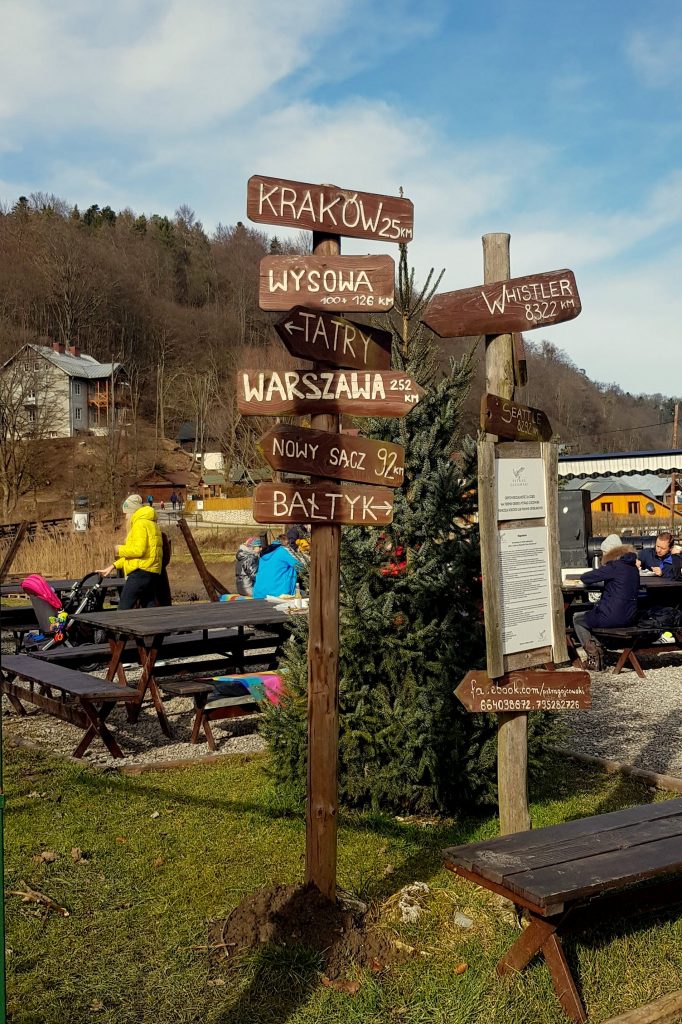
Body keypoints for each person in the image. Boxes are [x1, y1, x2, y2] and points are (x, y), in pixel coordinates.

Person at [572, 534, 640, 671]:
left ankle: (594, 657)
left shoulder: (614, 566)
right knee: (592, 615)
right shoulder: (632, 567)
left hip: (612, 616)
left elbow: (586, 577)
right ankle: (597, 648)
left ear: (610, 552)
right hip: (630, 617)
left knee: (577, 619)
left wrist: (602, 572)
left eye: (604, 553)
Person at [97, 494, 163, 610]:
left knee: (123, 608)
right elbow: (140, 554)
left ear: (133, 512)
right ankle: (153, 627)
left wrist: (119, 549)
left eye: (127, 513)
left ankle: (117, 628)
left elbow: (138, 551)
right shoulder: (151, 523)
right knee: (150, 607)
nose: (126, 517)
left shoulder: (140, 524)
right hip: (150, 571)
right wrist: (113, 566)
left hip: (140, 573)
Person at [252, 535, 301, 600]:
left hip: (259, 593)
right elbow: (299, 566)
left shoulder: (264, 553)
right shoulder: (283, 551)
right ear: (286, 542)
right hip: (278, 593)